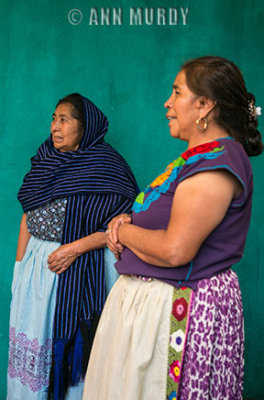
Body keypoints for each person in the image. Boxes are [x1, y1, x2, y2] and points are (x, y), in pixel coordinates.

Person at [82, 56, 263, 400]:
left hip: (177, 311)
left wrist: (122, 232)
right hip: (154, 306)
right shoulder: (198, 158)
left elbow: (175, 250)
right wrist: (129, 220)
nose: (167, 102)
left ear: (204, 105)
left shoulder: (216, 165)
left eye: (176, 92)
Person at [7, 93, 138, 400]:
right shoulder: (45, 161)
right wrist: (19, 266)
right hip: (35, 269)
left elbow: (124, 224)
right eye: (54, 119)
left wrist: (74, 249)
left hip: (76, 270)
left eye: (64, 119)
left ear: (86, 126)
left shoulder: (107, 167)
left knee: (72, 353)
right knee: (33, 344)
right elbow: (27, 214)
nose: (55, 126)